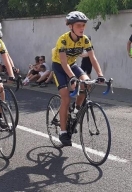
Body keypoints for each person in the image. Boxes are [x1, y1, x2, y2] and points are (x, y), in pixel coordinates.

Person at [51, 11, 105, 146]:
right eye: (79, 25)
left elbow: (93, 58)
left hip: (72, 65)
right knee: (66, 97)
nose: (82, 28)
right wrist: (73, 78)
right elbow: (63, 63)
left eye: (84, 25)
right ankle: (63, 132)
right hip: (59, 67)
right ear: (70, 26)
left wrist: (100, 74)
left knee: (86, 83)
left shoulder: (85, 39)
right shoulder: (63, 40)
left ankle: (76, 110)